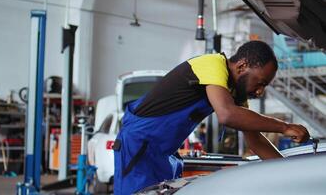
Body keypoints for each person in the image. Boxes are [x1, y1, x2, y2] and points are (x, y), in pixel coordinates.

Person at [113, 41, 310, 194]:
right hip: (139, 147)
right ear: (242, 66)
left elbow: (256, 140)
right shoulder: (212, 64)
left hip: (163, 154)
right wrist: (284, 127)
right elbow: (227, 114)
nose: (259, 92)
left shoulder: (234, 93)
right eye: (260, 83)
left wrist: (289, 172)